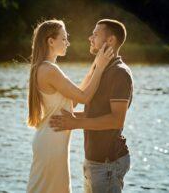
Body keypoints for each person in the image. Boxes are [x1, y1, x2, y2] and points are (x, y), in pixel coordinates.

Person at [26, 19, 114, 193]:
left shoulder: (47, 68)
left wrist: (96, 64)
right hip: (51, 141)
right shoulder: (49, 70)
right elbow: (85, 97)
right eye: (64, 38)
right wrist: (100, 67)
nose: (68, 43)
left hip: (52, 140)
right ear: (51, 41)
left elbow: (74, 99)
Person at [50, 19, 134, 193]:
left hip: (108, 164)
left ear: (110, 41)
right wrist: (69, 118)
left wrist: (76, 123)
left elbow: (116, 120)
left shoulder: (119, 73)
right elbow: (95, 112)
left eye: (95, 34)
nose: (90, 38)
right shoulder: (103, 70)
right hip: (94, 162)